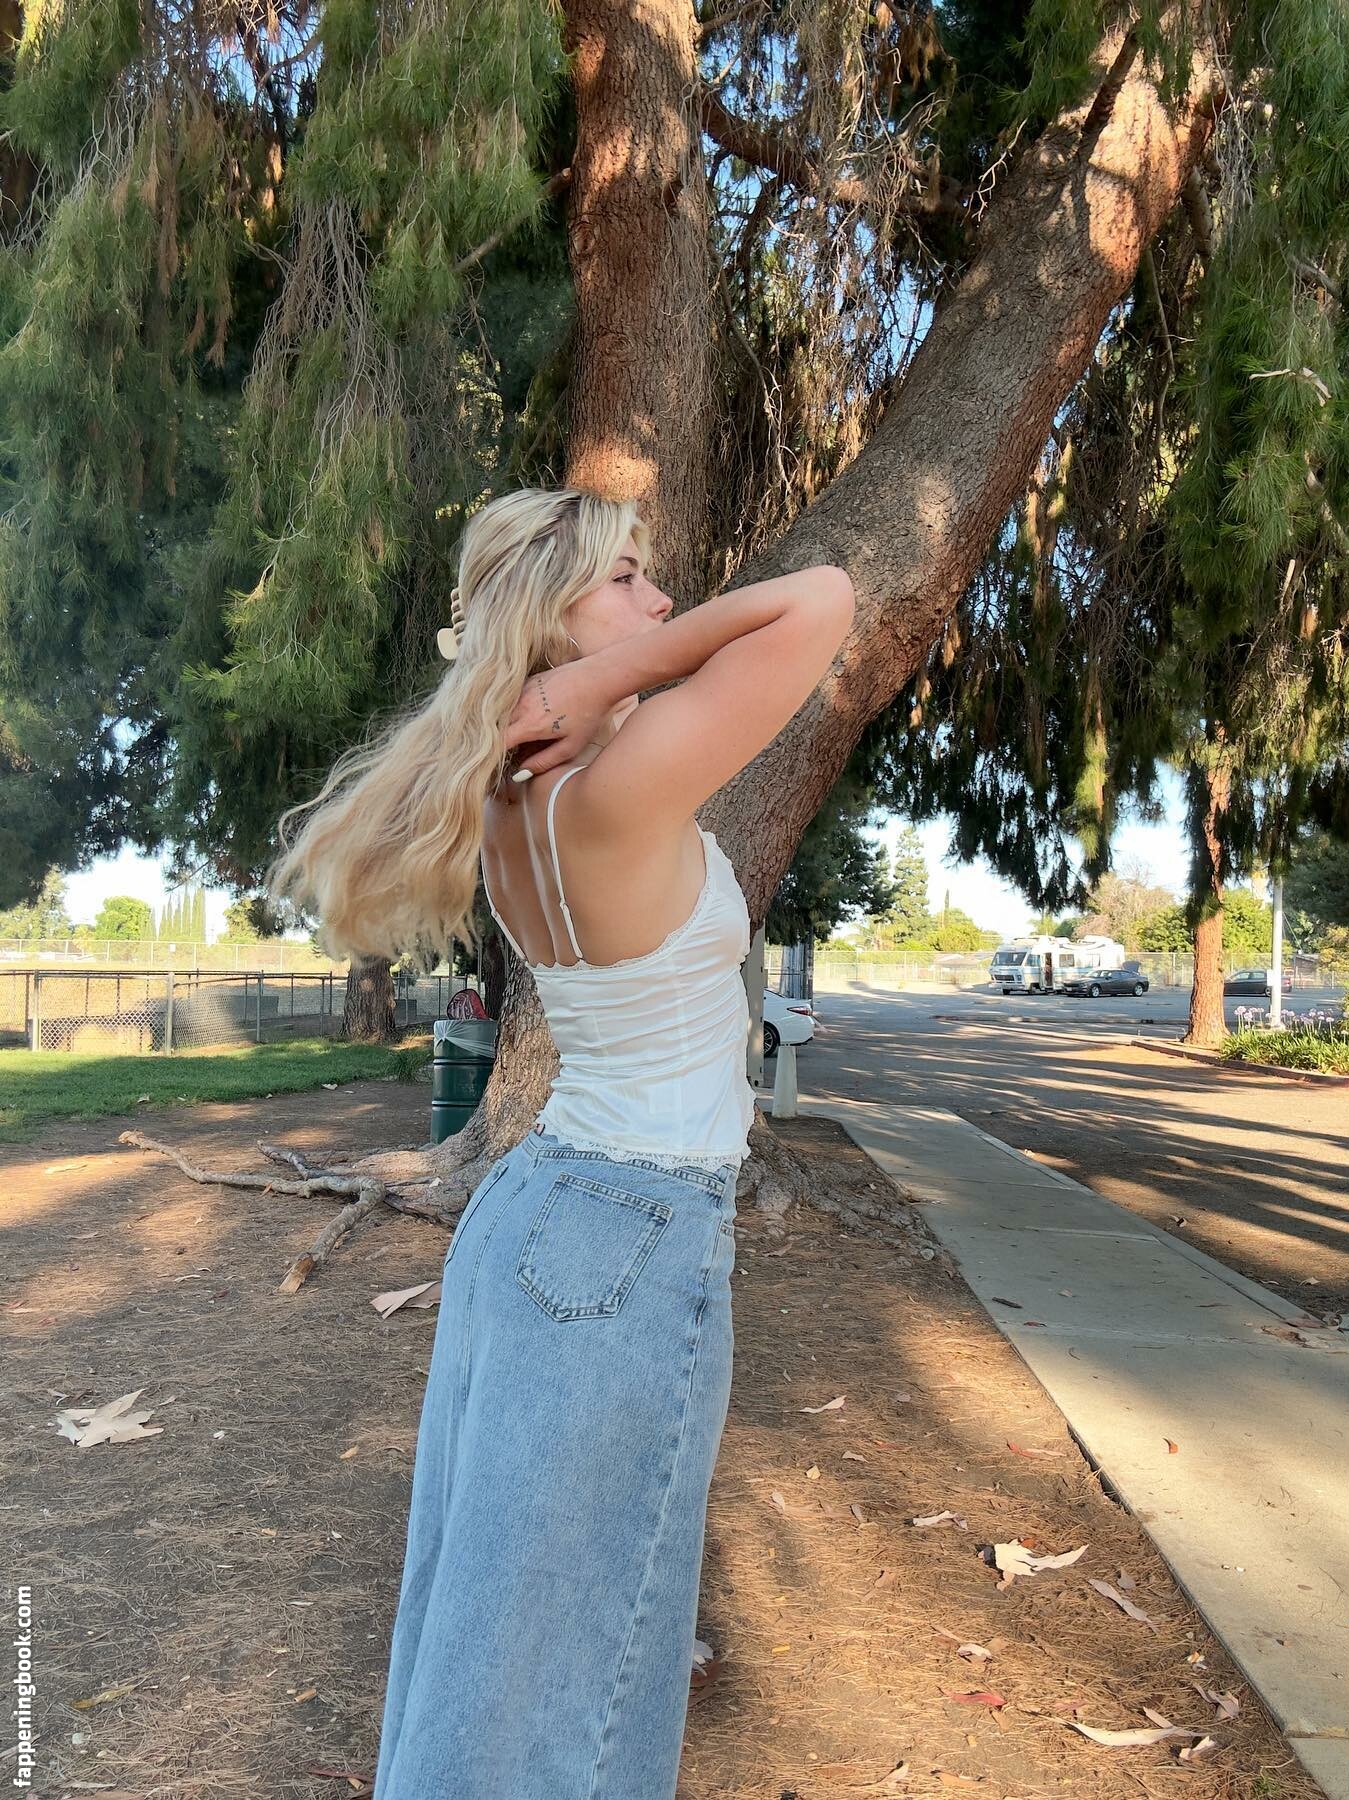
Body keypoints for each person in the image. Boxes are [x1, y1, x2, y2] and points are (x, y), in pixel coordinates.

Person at [267, 486, 854, 1798]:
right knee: (566, 1668)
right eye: (627, 579)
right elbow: (822, 602)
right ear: (550, 618)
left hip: (540, 1213)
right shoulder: (612, 786)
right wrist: (605, 682)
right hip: (626, 1235)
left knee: (496, 1633)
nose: (662, 600)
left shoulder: (520, 796)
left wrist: (593, 681)